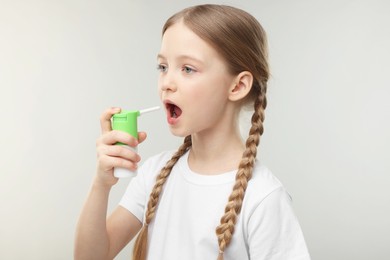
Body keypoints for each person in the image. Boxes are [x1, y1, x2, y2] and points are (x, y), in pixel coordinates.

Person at [75, 4, 311, 260]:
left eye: (187, 69)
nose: (166, 83)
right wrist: (102, 184)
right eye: (163, 67)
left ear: (238, 86)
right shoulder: (153, 175)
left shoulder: (263, 198)